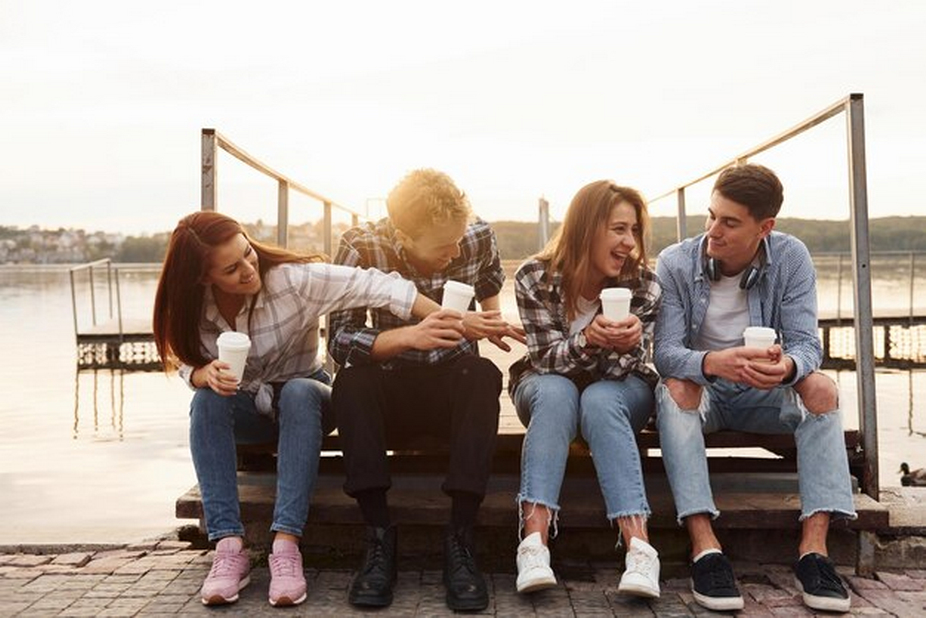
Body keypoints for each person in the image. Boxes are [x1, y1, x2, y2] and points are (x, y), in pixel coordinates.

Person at [152, 211, 448, 608]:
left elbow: (380, 286)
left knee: (297, 392)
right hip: (248, 409)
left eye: (248, 253)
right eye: (231, 268)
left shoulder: (292, 281)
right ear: (204, 278)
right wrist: (202, 374)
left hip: (308, 404)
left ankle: (286, 546)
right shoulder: (190, 306)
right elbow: (181, 357)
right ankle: (228, 548)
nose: (247, 269)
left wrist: (454, 319)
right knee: (205, 401)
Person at [653, 163, 856, 613]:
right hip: (703, 392)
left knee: (822, 389)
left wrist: (786, 368)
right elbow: (664, 352)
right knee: (674, 387)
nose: (713, 231)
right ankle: (705, 548)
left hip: (764, 393)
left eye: (729, 222)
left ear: (765, 228)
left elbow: (807, 345)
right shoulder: (675, 262)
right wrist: (711, 362)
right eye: (711, 215)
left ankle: (814, 551)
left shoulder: (791, 257)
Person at [327, 168, 524, 611]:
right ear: (403, 234)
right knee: (351, 383)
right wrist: (408, 336)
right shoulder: (361, 246)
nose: (455, 252)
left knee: (483, 376)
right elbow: (339, 339)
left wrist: (491, 324)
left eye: (458, 240)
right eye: (442, 246)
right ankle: (378, 538)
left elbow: (490, 282)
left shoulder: (475, 237)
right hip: (390, 387)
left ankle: (460, 538)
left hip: (450, 384)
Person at [509, 181, 662, 598]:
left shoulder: (645, 286)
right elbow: (543, 360)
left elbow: (620, 373)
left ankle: (640, 551)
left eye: (634, 231)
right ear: (586, 227)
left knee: (598, 397)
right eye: (618, 229)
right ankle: (534, 544)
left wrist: (628, 343)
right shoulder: (533, 277)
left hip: (618, 392)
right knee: (558, 390)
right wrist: (589, 339)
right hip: (545, 389)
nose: (630, 242)